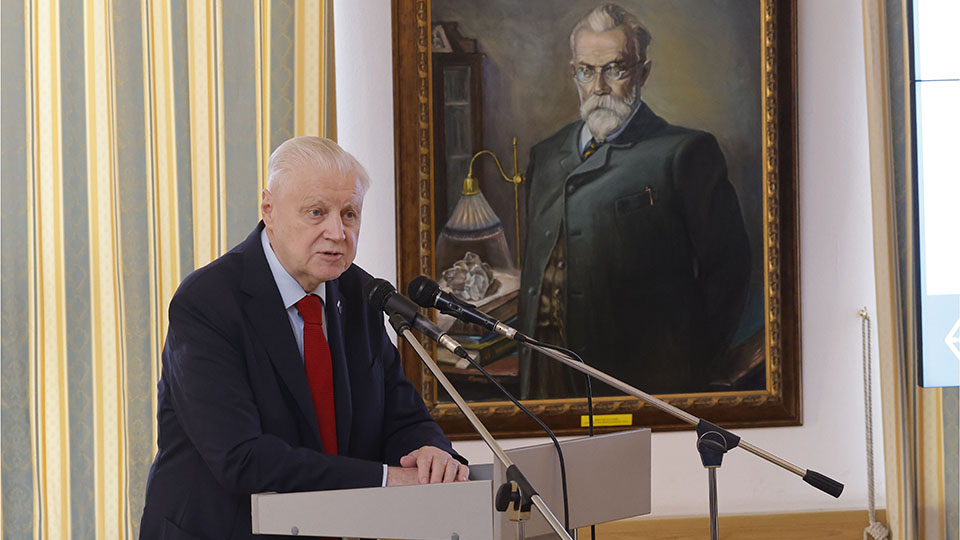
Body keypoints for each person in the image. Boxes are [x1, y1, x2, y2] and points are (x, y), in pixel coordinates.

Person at [140, 136, 467, 539]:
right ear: (269, 210)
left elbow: (402, 418)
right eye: (317, 212)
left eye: (349, 214)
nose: (337, 232)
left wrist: (430, 450)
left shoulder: (361, 293)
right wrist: (385, 479)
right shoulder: (208, 302)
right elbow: (242, 458)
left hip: (329, 527)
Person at [518, 3, 751, 398]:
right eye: (586, 71)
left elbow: (729, 270)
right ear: (573, 71)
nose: (599, 87)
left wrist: (688, 363)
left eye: (615, 69)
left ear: (643, 72)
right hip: (544, 374)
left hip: (637, 380)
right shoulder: (545, 154)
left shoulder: (685, 153)